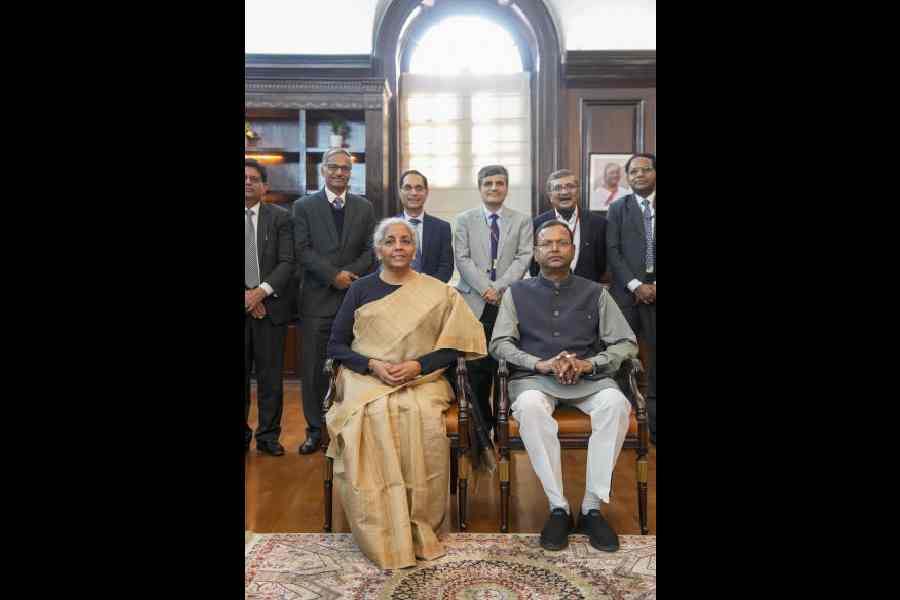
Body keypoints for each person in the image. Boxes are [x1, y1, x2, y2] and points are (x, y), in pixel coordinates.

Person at [325, 218, 487, 569]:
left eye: (405, 241)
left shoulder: (438, 292)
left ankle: (418, 522)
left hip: (423, 379)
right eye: (390, 241)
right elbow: (336, 345)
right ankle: (381, 527)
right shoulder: (360, 290)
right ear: (378, 249)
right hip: (366, 377)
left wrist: (418, 365)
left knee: (417, 415)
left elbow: (459, 346)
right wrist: (372, 365)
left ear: (415, 249)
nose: (398, 247)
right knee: (372, 416)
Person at [490, 220, 638, 553]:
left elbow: (626, 343)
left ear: (572, 249)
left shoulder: (596, 292)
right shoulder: (516, 292)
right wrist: (537, 363)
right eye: (547, 243)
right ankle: (559, 507)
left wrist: (591, 363)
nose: (555, 249)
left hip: (589, 378)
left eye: (562, 242)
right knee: (528, 407)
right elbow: (499, 344)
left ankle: (591, 508)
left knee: (615, 405)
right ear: (536, 251)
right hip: (535, 378)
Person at [292, 148, 376, 454]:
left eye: (345, 168)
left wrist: (349, 274)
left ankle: (349, 429)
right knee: (314, 369)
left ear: (351, 172)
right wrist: (332, 276)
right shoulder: (303, 206)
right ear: (323, 170)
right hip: (317, 301)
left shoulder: (364, 207)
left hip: (355, 300)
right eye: (334, 167)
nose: (339, 173)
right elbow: (301, 249)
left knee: (353, 369)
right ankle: (316, 430)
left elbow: (371, 249)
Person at [454, 165, 533, 430]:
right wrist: (484, 288)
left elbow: (524, 257)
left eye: (500, 183)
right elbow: (462, 258)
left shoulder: (522, 220)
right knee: (476, 366)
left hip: (507, 300)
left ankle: (506, 427)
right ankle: (480, 427)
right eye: (488, 183)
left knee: (506, 362)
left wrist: (498, 287)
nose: (494, 188)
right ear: (480, 188)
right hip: (473, 302)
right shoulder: (464, 219)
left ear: (506, 188)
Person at [244, 159, 295, 456]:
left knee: (270, 380)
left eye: (254, 178)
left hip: (271, 310)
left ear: (265, 186)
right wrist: (248, 298)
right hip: (251, 305)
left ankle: (267, 437)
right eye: (244, 178)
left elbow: (288, 261)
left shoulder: (281, 218)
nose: (248, 182)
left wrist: (260, 294)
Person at [606, 153, 656, 444]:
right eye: (633, 171)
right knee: (624, 359)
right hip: (627, 294)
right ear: (628, 177)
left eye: (646, 170)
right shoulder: (618, 208)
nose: (639, 175)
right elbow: (613, 251)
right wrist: (637, 285)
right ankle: (627, 426)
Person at [530, 169, 607, 282]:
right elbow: (534, 265)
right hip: (549, 293)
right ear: (550, 195)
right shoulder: (536, 224)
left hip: (587, 292)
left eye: (570, 186)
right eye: (558, 188)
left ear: (578, 191)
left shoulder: (599, 224)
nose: (565, 192)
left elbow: (603, 264)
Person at [396, 169, 453, 282]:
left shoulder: (442, 228)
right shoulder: (387, 227)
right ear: (400, 192)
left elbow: (446, 267)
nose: (414, 193)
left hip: (432, 294)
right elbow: (382, 266)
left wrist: (427, 290)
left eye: (419, 188)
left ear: (426, 192)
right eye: (408, 188)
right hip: (396, 294)